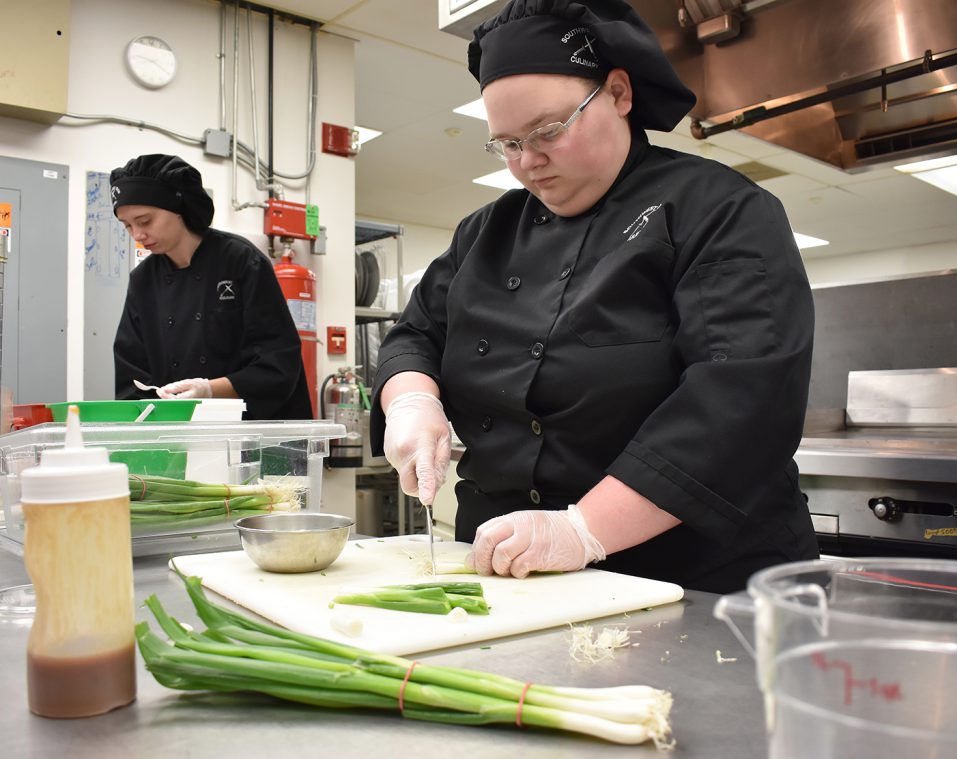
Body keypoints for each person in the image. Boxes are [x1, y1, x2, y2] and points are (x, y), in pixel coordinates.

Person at [370, 0, 818, 593]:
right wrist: (411, 403)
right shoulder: (484, 232)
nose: (527, 163)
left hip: (695, 576)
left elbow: (740, 400)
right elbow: (416, 336)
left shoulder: (720, 211)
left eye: (548, 131)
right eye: (506, 144)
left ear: (619, 93)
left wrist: (582, 529)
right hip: (510, 569)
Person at [110, 154, 312, 421]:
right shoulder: (143, 281)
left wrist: (209, 390)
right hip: (181, 434)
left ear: (178, 208)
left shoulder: (240, 261)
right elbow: (131, 374)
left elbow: (278, 363)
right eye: (127, 226)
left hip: (254, 433)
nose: (137, 235)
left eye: (145, 221)